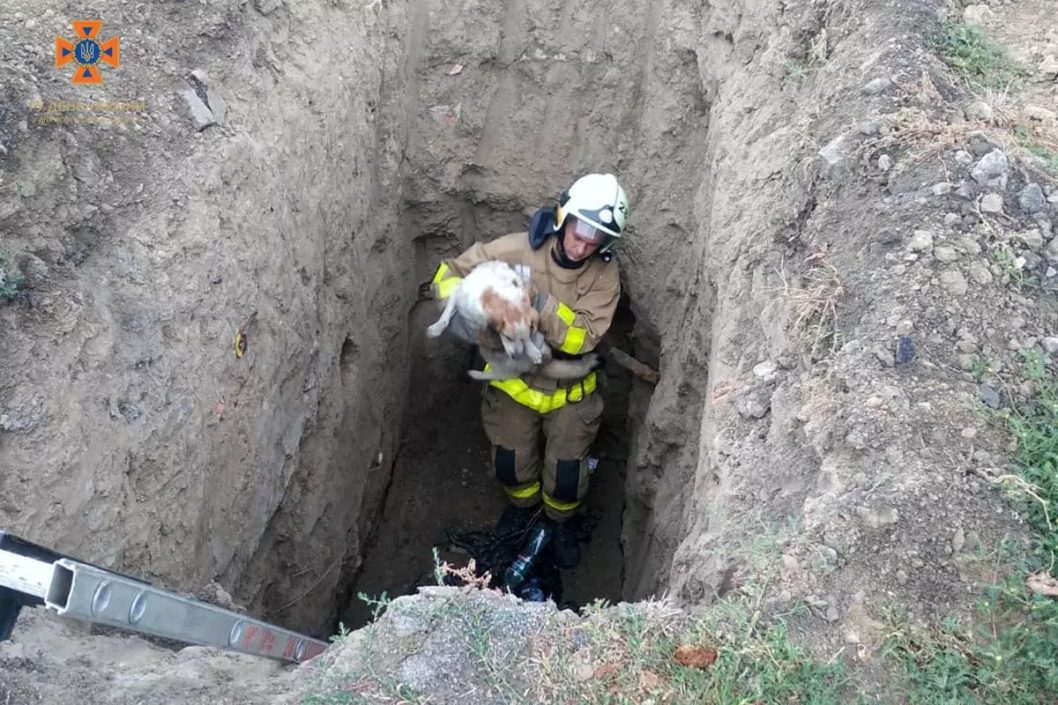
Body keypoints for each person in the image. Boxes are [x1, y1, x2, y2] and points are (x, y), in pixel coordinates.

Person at [429, 173, 628, 568]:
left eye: (598, 238)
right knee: (511, 468)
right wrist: (471, 304)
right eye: (582, 228)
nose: (584, 243)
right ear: (562, 216)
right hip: (512, 386)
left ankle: (559, 523)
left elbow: (583, 339)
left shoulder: (603, 278)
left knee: (567, 479)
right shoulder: (515, 249)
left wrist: (534, 301)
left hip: (570, 395)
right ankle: (522, 512)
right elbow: (448, 273)